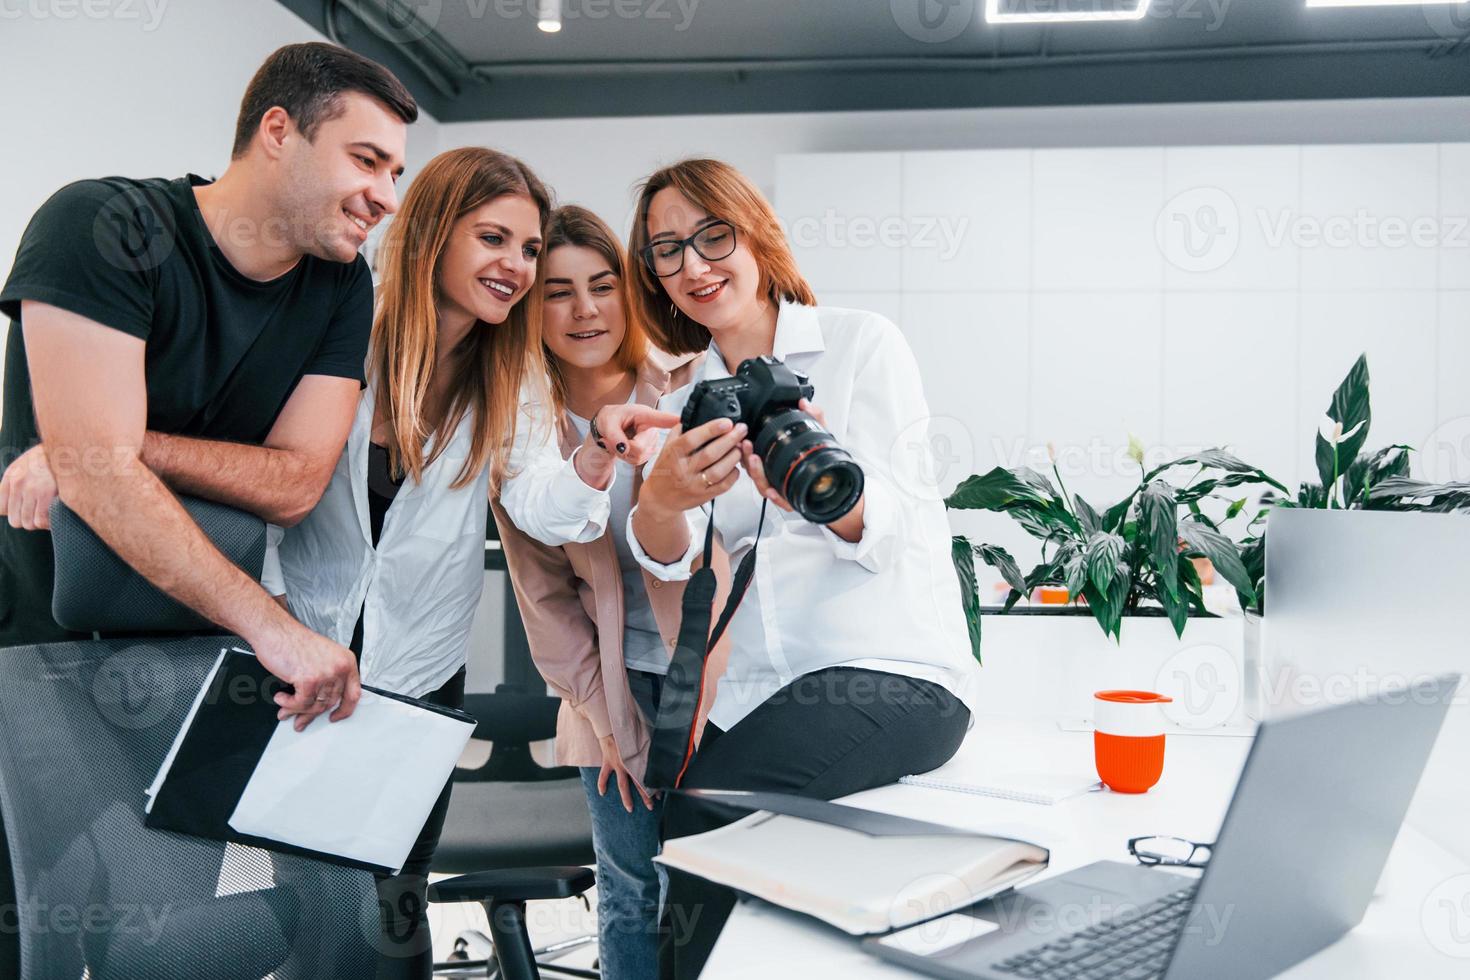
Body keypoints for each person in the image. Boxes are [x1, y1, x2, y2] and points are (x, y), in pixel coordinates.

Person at [620, 158, 983, 978]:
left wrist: (811, 491)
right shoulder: (689, 397)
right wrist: (661, 499)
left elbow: (896, 522)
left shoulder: (859, 344)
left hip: (891, 673)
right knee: (681, 832)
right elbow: (675, 567)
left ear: (756, 235)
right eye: (667, 249)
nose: (695, 266)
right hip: (759, 693)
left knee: (714, 813)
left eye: (714, 235)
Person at [491, 205, 729, 980]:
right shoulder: (525, 430)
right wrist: (602, 720)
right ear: (531, 308)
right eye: (557, 292)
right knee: (630, 885)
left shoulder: (693, 380)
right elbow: (544, 598)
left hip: (723, 676)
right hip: (612, 686)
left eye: (602, 285)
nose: (585, 309)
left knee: (724, 880)